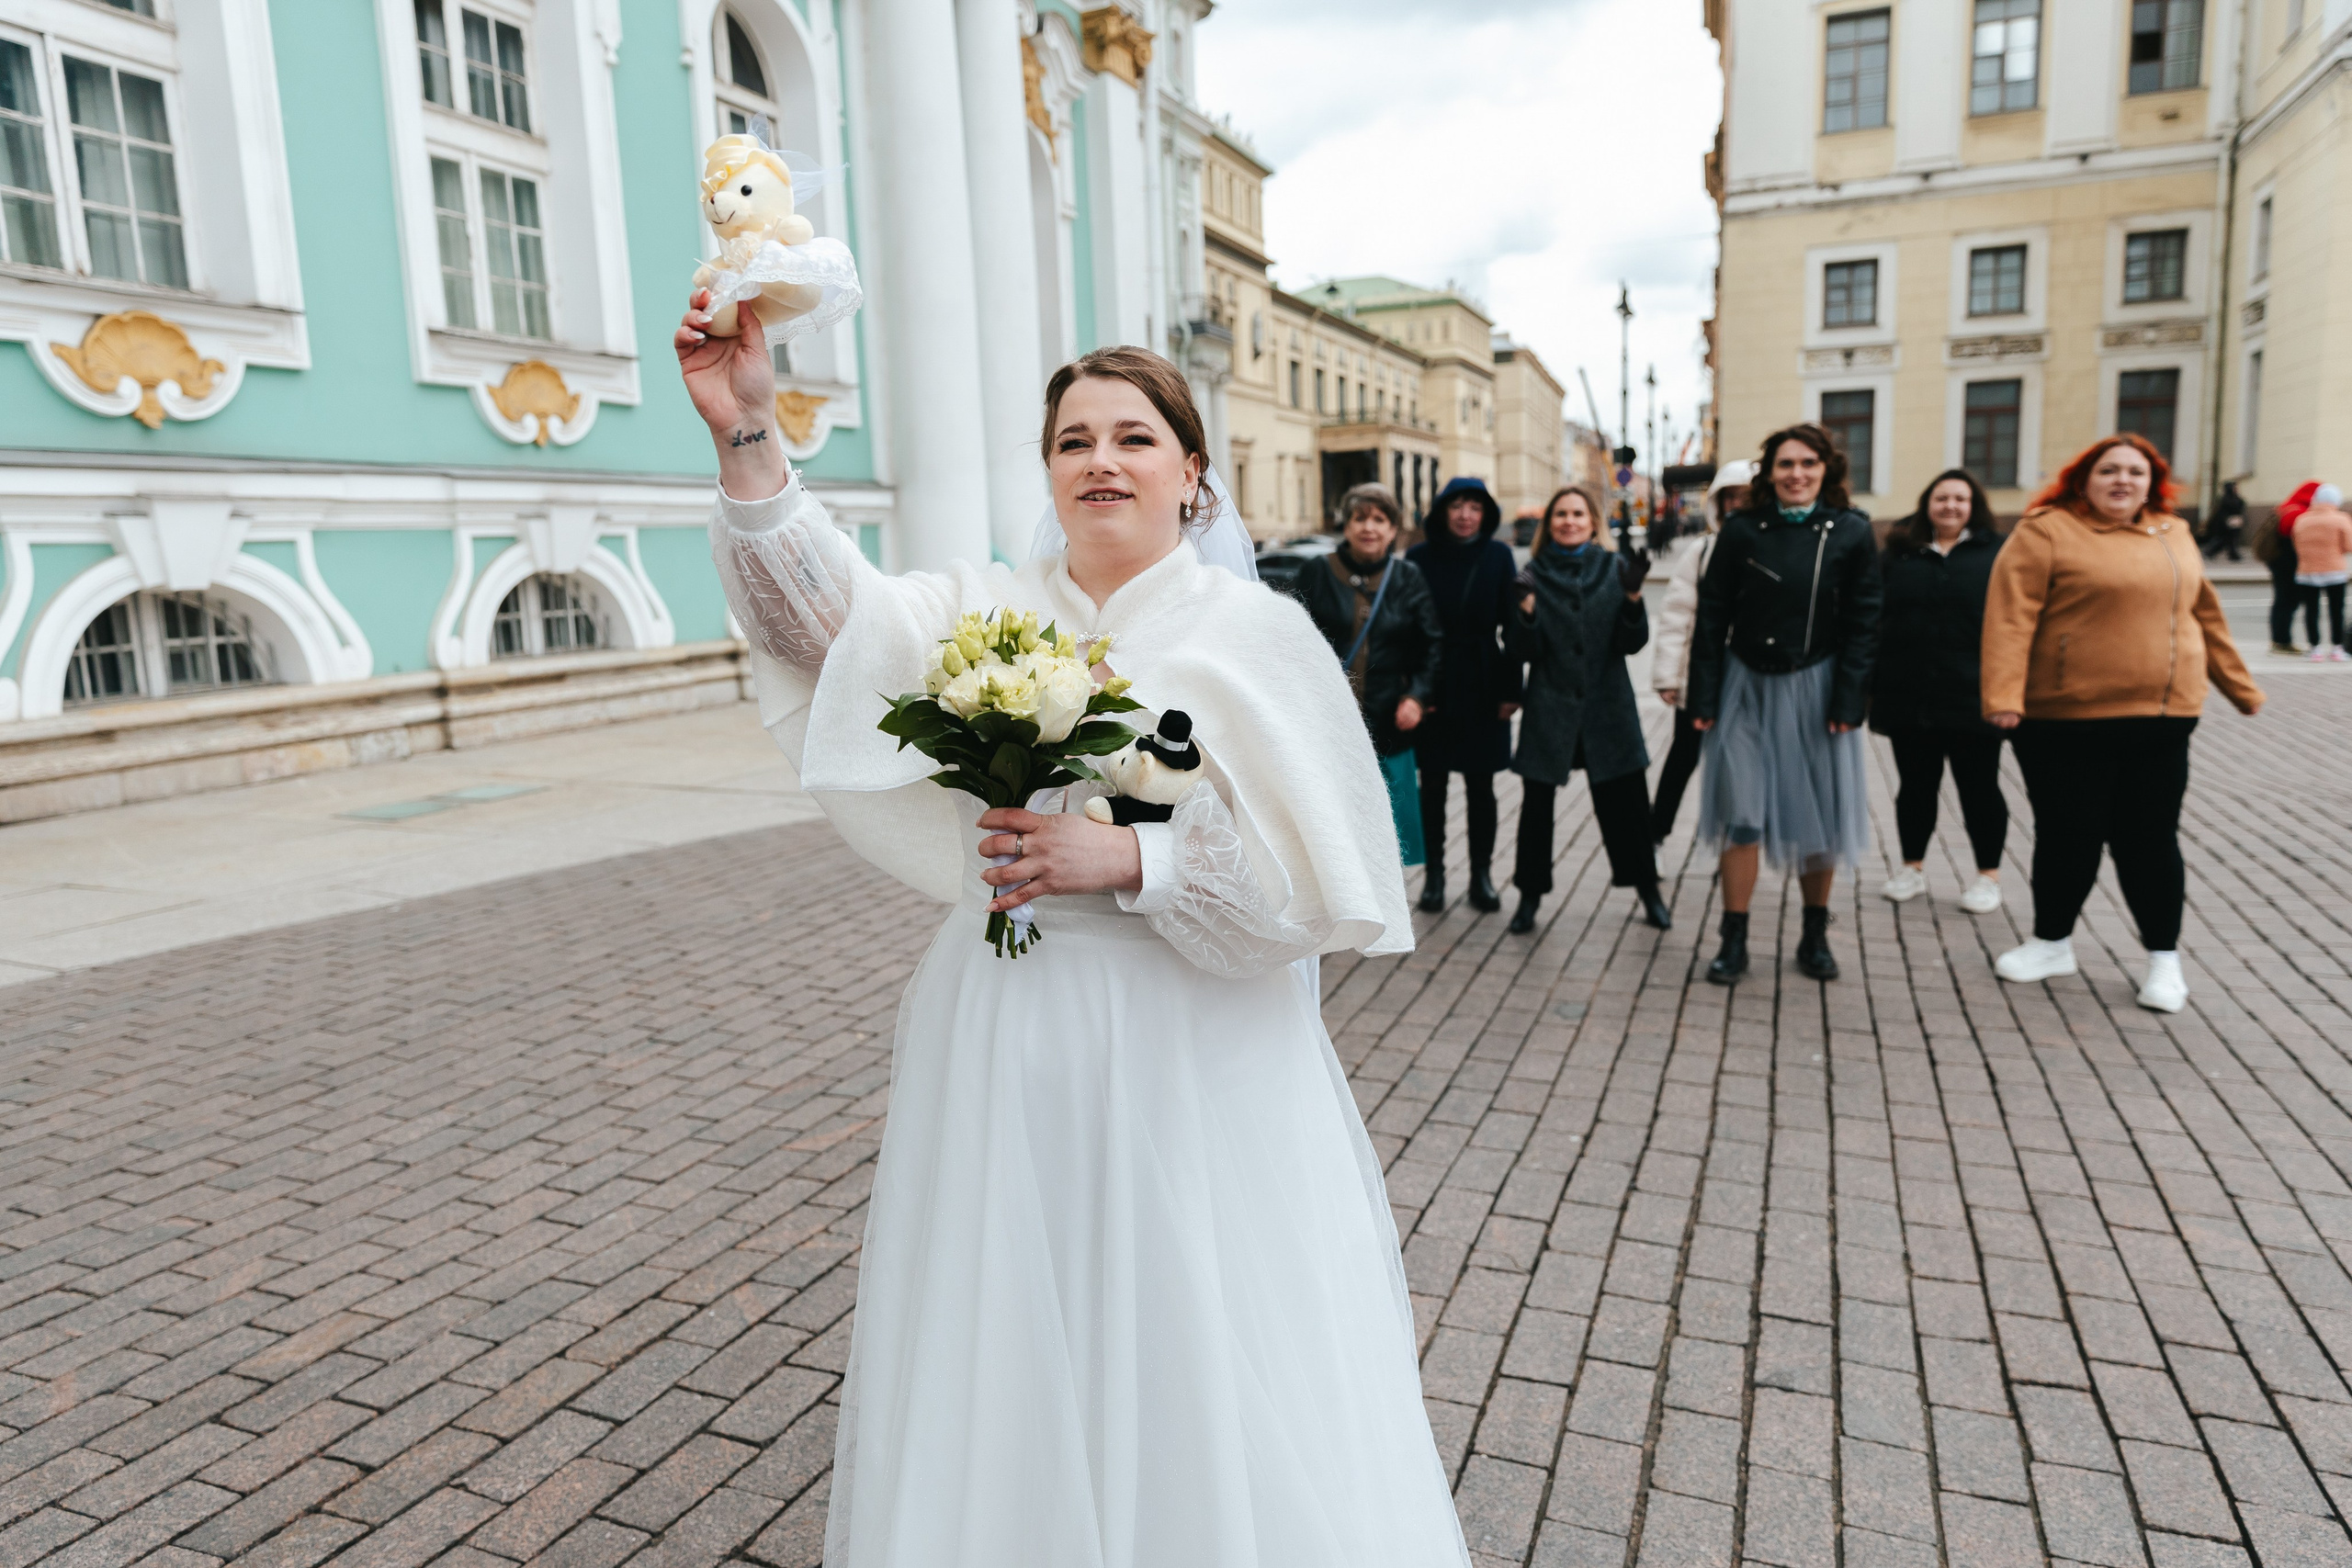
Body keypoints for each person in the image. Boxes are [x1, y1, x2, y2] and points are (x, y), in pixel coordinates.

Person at [682, 297, 1472, 1564]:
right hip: (1011, 1026)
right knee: (1017, 1317)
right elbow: (823, 627)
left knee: (1192, 1321)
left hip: (1194, 1047)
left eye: (1135, 436)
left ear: (1192, 472)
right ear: (1048, 472)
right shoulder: (986, 612)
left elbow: (1323, 884)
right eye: (1073, 440)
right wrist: (751, 437)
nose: (1102, 459)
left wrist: (1135, 854)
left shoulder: (1256, 634)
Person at [1983, 433, 2264, 1014]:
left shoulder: (2173, 533)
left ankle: (2164, 960)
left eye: (2135, 473)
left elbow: (2204, 613)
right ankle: (2051, 942)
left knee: (2150, 840)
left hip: (2162, 717)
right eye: (2109, 471)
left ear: (2152, 483)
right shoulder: (2046, 531)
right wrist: (2002, 696)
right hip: (2065, 718)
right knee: (2069, 836)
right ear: (2083, 479)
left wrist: (2238, 686)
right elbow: (2011, 617)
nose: (2122, 481)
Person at [1686, 423, 1882, 984]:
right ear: (1769, 473)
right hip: (1743, 687)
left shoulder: (1850, 532)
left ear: (1826, 470)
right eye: (1786, 464)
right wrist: (1702, 694)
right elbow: (1712, 616)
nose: (1797, 474)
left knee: (1819, 816)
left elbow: (1865, 623)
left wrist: (1849, 698)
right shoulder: (1743, 531)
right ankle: (1734, 938)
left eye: (1808, 464)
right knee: (1740, 815)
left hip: (1818, 690)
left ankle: (1814, 935)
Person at [1504, 484, 1671, 934]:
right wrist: (1524, 612)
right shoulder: (1531, 575)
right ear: (1549, 524)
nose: (1570, 521)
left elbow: (1631, 645)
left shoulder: (1616, 569)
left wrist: (1634, 601)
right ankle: (1529, 897)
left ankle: (1648, 891)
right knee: (1537, 811)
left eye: (1578, 513)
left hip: (1608, 708)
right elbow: (1521, 650)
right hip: (1550, 709)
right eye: (1561, 514)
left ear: (1593, 522)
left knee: (1629, 806)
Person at [1871, 469, 2008, 913]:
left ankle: (1987, 876)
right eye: (1941, 498)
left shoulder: (1996, 552)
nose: (1950, 506)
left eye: (1960, 499)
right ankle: (1912, 868)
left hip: (1973, 695)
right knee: (1915, 787)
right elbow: (1876, 616)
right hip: (1911, 695)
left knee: (1980, 789)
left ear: (1974, 506)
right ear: (1927, 503)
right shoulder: (1900, 552)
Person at [1295, 481, 1445, 863]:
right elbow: (1288, 637)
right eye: (1360, 517)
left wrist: (1417, 697)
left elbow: (1432, 645)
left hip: (1388, 722)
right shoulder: (1317, 572)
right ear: (1346, 525)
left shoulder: (1407, 578)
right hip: (1325, 723)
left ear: (1394, 530)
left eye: (1380, 519)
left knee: (1390, 834)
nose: (1369, 527)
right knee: (1331, 828)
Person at [1408, 476, 1522, 914]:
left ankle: (1481, 876)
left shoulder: (1499, 555)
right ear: (1442, 511)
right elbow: (1407, 627)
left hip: (1483, 679)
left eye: (1474, 506)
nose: (1465, 514)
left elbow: (1512, 627)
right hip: (1433, 681)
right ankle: (1434, 877)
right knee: (1431, 784)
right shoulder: (1418, 557)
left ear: (1485, 514)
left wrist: (1512, 689)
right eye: (1456, 505)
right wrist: (1415, 691)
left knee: (1481, 785)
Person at [1651, 460, 1754, 841]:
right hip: (1702, 674)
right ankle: (1655, 836)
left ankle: (1736, 845)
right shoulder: (1703, 550)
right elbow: (1677, 614)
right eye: (1732, 497)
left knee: (1741, 763)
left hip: (1752, 674)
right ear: (1720, 503)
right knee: (1684, 756)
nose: (1740, 504)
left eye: (1748, 496)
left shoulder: (1774, 549)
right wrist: (1667, 677)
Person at [2258, 480, 2321, 654]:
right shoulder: (2297, 513)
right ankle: (2281, 641)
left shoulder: (2287, 507)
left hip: (2278, 561)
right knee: (2287, 601)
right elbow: (2295, 543)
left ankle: (2280, 640)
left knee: (2283, 600)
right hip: (2288, 564)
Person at [2291, 483, 2351, 660]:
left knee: (2311, 610)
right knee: (2336, 610)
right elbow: (2349, 545)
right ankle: (2337, 649)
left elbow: (2296, 544)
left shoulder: (2302, 520)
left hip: (2307, 571)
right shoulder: (2341, 519)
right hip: (2335, 571)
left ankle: (2314, 648)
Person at [2207, 479, 2247, 560]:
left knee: (2232, 539)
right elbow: (2224, 511)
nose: (2236, 489)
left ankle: (2232, 554)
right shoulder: (2225, 499)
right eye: (2234, 488)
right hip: (2226, 522)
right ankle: (2212, 551)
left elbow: (2241, 505)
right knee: (2224, 539)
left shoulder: (2235, 498)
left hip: (2235, 521)